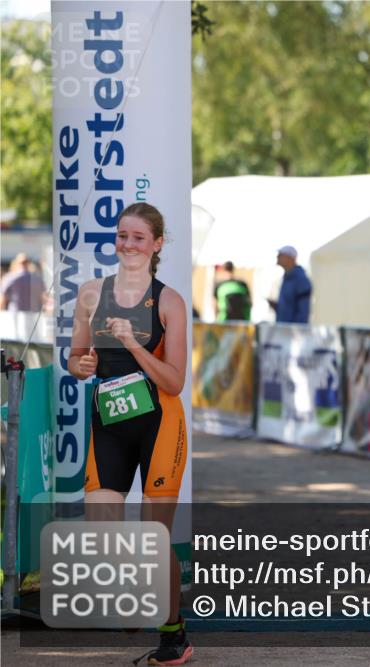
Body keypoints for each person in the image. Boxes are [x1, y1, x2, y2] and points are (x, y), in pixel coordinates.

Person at [67, 202, 192, 665]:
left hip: (159, 421)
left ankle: (173, 634)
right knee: (102, 531)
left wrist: (132, 343)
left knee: (154, 537)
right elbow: (75, 359)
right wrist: (80, 365)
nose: (127, 244)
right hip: (109, 423)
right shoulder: (89, 294)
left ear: (156, 245)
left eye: (138, 237)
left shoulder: (170, 302)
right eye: (122, 235)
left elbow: (174, 381)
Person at [268, 245, 311, 324]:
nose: (277, 257)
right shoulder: (286, 278)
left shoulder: (301, 280)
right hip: (284, 330)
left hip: (292, 333)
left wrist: (295, 332)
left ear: (290, 257)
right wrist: (277, 307)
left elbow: (303, 312)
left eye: (281, 255)